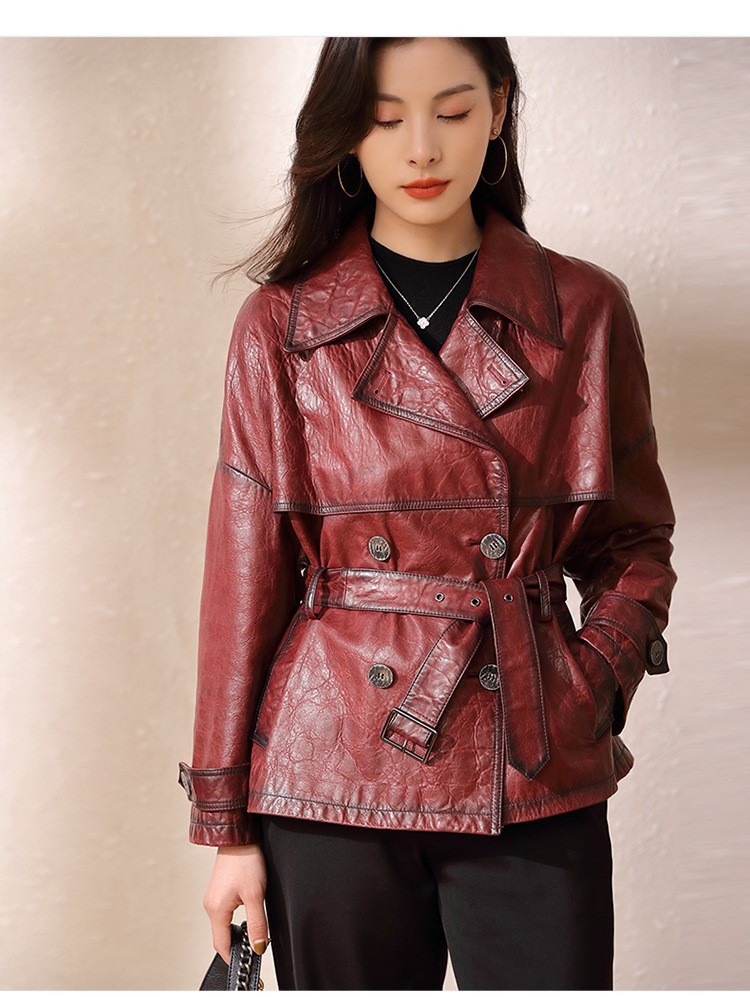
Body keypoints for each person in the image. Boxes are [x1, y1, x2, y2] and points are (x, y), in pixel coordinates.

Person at [178, 37, 677, 990]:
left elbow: (634, 541)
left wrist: (587, 686)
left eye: (451, 112)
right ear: (344, 135)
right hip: (330, 772)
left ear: (498, 110)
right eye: (384, 117)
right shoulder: (283, 327)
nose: (421, 149)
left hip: (531, 761)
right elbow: (243, 582)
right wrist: (226, 827)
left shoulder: (583, 308)